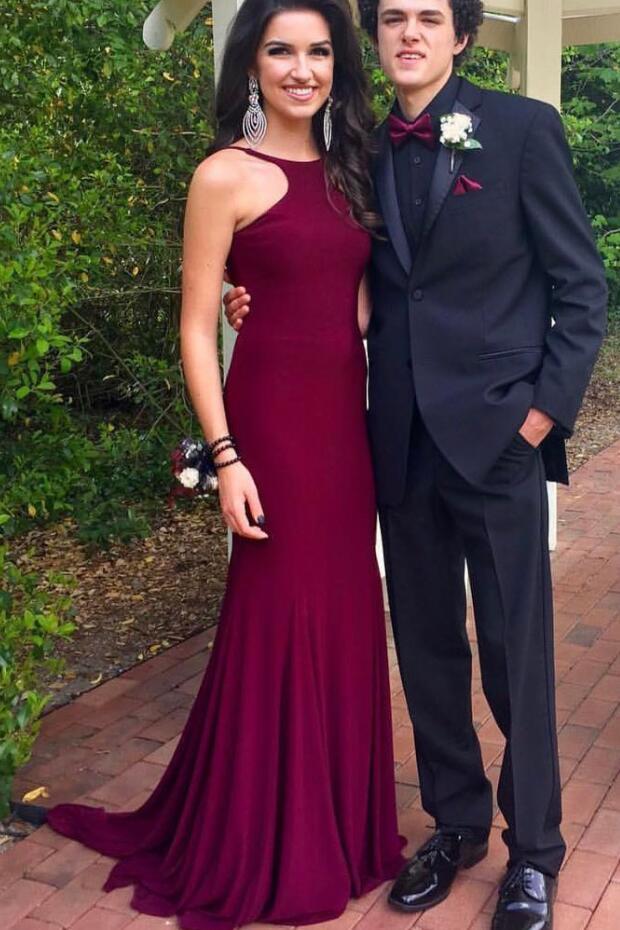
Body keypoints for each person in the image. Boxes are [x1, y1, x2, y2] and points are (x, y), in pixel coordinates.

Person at [224, 2, 609, 929]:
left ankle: (536, 852)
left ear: (461, 36)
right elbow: (327, 269)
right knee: (428, 647)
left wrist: (541, 415)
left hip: (499, 440)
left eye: (430, 17)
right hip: (394, 440)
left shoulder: (521, 130)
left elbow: (582, 285)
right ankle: (456, 823)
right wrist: (253, 299)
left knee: (516, 654)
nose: (409, 33)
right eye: (393, 16)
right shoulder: (354, 148)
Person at [45, 1, 407, 927]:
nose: (301, 69)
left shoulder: (353, 169)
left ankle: (338, 827)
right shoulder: (222, 175)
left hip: (345, 430)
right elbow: (196, 326)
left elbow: (361, 301)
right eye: (281, 50)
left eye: (319, 51)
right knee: (277, 615)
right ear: (250, 64)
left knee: (344, 612)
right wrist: (226, 456)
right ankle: (268, 838)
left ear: (339, 66)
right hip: (270, 431)